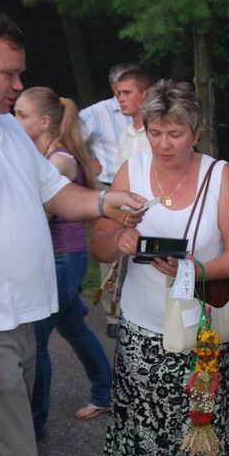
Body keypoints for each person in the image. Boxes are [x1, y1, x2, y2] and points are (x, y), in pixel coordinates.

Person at [0, 12, 146, 456]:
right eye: (8, 72)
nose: (18, 84)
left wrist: (107, 202)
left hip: (23, 319)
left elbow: (57, 194)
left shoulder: (6, 128)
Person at [90, 79, 229, 456]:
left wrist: (194, 270)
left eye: (175, 133)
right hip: (141, 325)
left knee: (199, 424)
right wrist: (119, 239)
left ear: (195, 132)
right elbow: (98, 242)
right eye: (155, 132)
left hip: (201, 330)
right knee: (137, 424)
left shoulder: (220, 176)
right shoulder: (132, 171)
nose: (163, 143)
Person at [14, 87, 113, 435]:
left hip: (63, 260)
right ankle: (106, 392)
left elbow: (37, 212)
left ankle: (34, 424)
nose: (15, 121)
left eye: (21, 115)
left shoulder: (60, 161)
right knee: (75, 329)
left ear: (43, 122)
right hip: (57, 259)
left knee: (38, 340)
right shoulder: (44, 155)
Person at [79, 62, 140, 335]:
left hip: (139, 191)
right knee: (111, 251)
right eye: (118, 90)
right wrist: (87, 162)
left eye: (127, 90)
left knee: (136, 249)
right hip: (109, 185)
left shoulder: (143, 118)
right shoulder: (96, 113)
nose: (121, 96)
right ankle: (113, 314)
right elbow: (69, 137)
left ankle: (134, 309)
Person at [113, 68, 153, 172]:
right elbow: (118, 173)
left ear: (145, 95)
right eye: (119, 94)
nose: (120, 99)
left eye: (127, 93)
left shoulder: (159, 132)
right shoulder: (125, 134)